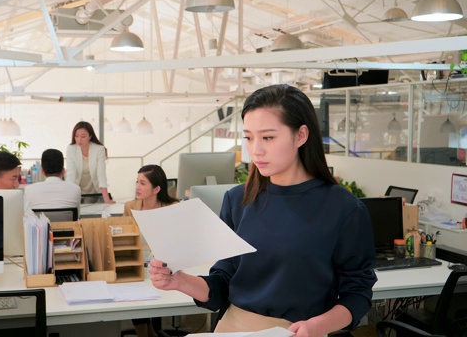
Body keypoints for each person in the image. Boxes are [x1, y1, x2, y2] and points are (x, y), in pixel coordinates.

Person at [148, 84, 377, 337]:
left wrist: (319, 325)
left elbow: (357, 293)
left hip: (301, 332)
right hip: (233, 329)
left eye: (267, 137)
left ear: (300, 135)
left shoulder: (343, 208)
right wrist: (180, 281)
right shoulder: (237, 200)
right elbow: (223, 284)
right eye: (248, 137)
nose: (255, 150)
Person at [124, 164, 178, 337]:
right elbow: (125, 240)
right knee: (133, 290)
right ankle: (146, 333)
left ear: (157, 189)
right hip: (138, 266)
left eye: (142, 183)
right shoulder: (130, 206)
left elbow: (177, 240)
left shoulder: (172, 207)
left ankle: (149, 333)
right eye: (137, 182)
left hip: (165, 267)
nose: (137, 187)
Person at [65, 121, 114, 204]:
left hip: (95, 192)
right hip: (78, 193)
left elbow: (101, 175)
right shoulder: (71, 149)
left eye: (83, 136)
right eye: (76, 136)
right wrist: (68, 199)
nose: (79, 140)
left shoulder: (99, 149)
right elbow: (71, 175)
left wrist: (107, 200)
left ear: (90, 136)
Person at [0, 150, 37, 220]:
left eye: (18, 178)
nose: (17, 185)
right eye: (13, 178)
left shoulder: (19, 200)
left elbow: (33, 225)